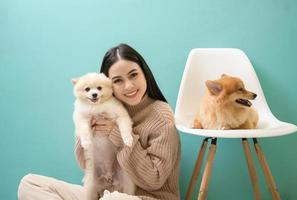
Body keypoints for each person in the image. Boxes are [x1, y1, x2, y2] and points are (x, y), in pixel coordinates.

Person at [18, 43, 181, 200]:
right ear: (108, 84)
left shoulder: (162, 116)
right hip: (105, 193)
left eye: (133, 75)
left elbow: (154, 180)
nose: (128, 86)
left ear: (145, 72)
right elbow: (85, 164)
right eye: (118, 80)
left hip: (144, 197)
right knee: (30, 184)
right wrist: (87, 127)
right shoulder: (105, 107)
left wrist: (116, 134)